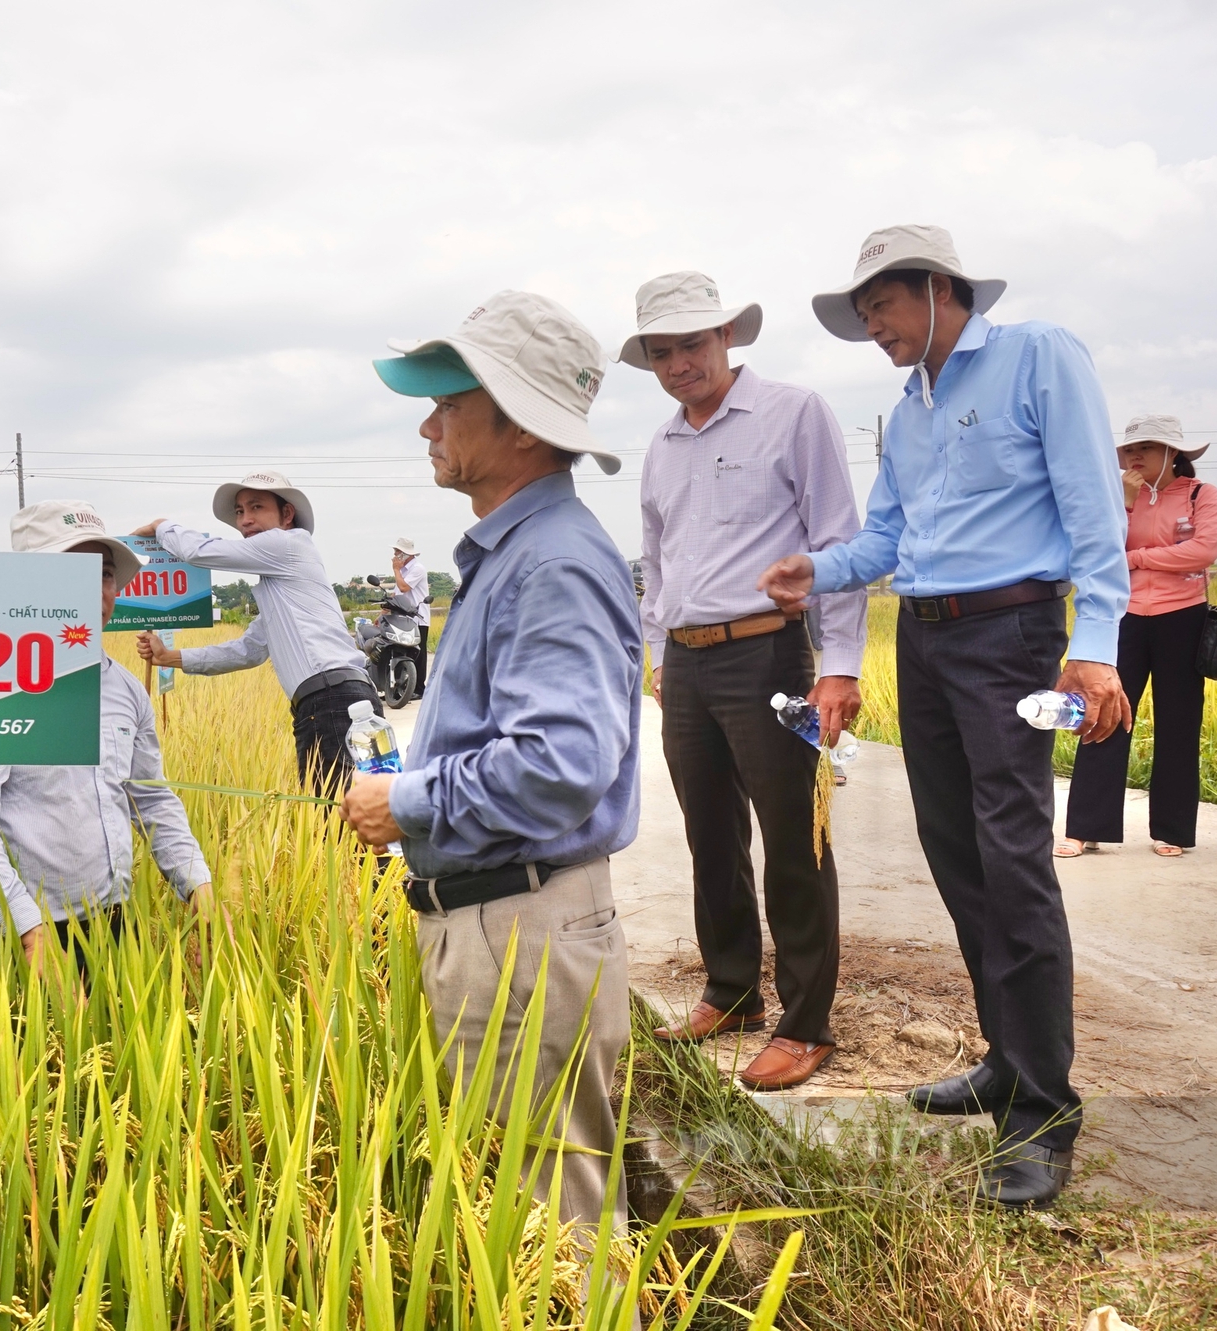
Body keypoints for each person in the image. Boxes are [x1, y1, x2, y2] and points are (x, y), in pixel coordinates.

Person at [757, 225, 1131, 1209]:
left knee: (1011, 858)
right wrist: (818, 568)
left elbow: (1092, 504)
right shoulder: (909, 406)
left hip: (1008, 632)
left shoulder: (1036, 357)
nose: (869, 325)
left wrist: (1092, 641)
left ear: (932, 287)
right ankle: (1005, 1058)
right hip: (922, 640)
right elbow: (885, 530)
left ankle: (1043, 1107)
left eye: (877, 305)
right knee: (955, 851)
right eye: (861, 312)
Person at [341, 289, 642, 1237]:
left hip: (522, 932)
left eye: (449, 405)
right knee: (514, 1218)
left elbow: (561, 764)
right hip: (501, 924)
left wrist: (408, 800)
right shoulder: (511, 555)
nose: (428, 426)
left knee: (555, 1229)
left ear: (516, 423)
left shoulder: (552, 562)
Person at [625, 269, 864, 1091]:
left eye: (692, 343)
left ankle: (806, 1023)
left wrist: (840, 665)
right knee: (710, 834)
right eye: (661, 351)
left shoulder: (793, 414)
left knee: (794, 835)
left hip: (768, 654)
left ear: (728, 336)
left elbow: (839, 543)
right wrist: (659, 652)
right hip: (687, 662)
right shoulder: (661, 445)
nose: (678, 363)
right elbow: (656, 562)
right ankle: (731, 991)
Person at [0, 500, 211, 971]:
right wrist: (29, 933)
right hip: (12, 932)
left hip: (109, 922)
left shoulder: (126, 690)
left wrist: (197, 885)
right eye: (70, 571)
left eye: (103, 573)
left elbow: (150, 799)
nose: (93, 588)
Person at [132, 472, 377, 795]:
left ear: (286, 515)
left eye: (256, 507)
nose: (245, 520)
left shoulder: (288, 544)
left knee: (339, 822)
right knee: (353, 819)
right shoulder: (279, 586)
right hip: (334, 701)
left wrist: (163, 526)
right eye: (239, 511)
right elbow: (249, 650)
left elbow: (200, 552)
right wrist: (169, 657)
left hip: (332, 700)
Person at [1060, 416, 1217, 859]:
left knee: (1179, 722)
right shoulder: (1114, 497)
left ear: (1174, 453)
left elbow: (1203, 550)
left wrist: (1137, 558)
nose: (1135, 456)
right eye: (1130, 449)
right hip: (1122, 617)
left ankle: (1172, 830)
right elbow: (1097, 549)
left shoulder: (1201, 495)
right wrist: (1125, 505)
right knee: (1102, 714)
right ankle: (1085, 828)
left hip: (1183, 617)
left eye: (1147, 447)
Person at [391, 536, 431, 699]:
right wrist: (382, 615)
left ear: (405, 554)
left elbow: (404, 587)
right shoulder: (403, 572)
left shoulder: (417, 569)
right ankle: (401, 688)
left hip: (418, 618)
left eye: (397, 552)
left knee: (418, 654)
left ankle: (419, 689)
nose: (394, 556)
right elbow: (395, 594)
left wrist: (396, 570)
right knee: (401, 652)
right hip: (402, 618)